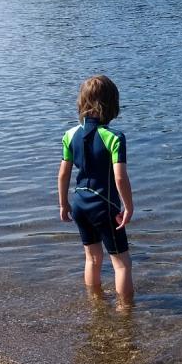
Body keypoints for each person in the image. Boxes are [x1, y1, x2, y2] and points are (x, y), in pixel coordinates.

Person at [57, 75, 135, 306]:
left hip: (80, 203)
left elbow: (63, 174)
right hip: (104, 205)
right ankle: (125, 312)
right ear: (112, 105)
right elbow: (119, 176)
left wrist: (63, 203)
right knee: (122, 263)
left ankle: (95, 303)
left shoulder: (70, 135)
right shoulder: (114, 137)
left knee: (92, 258)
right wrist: (128, 206)